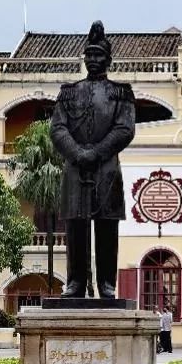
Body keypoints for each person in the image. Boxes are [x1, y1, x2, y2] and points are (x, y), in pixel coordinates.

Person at [51, 20, 136, 298]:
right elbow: (58, 128)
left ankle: (107, 284)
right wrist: (77, 153)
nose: (94, 60)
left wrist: (96, 153)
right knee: (75, 226)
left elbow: (125, 129)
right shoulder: (69, 92)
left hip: (107, 168)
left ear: (109, 59)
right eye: (89, 54)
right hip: (75, 167)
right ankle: (75, 282)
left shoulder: (121, 92)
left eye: (99, 55)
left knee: (107, 227)